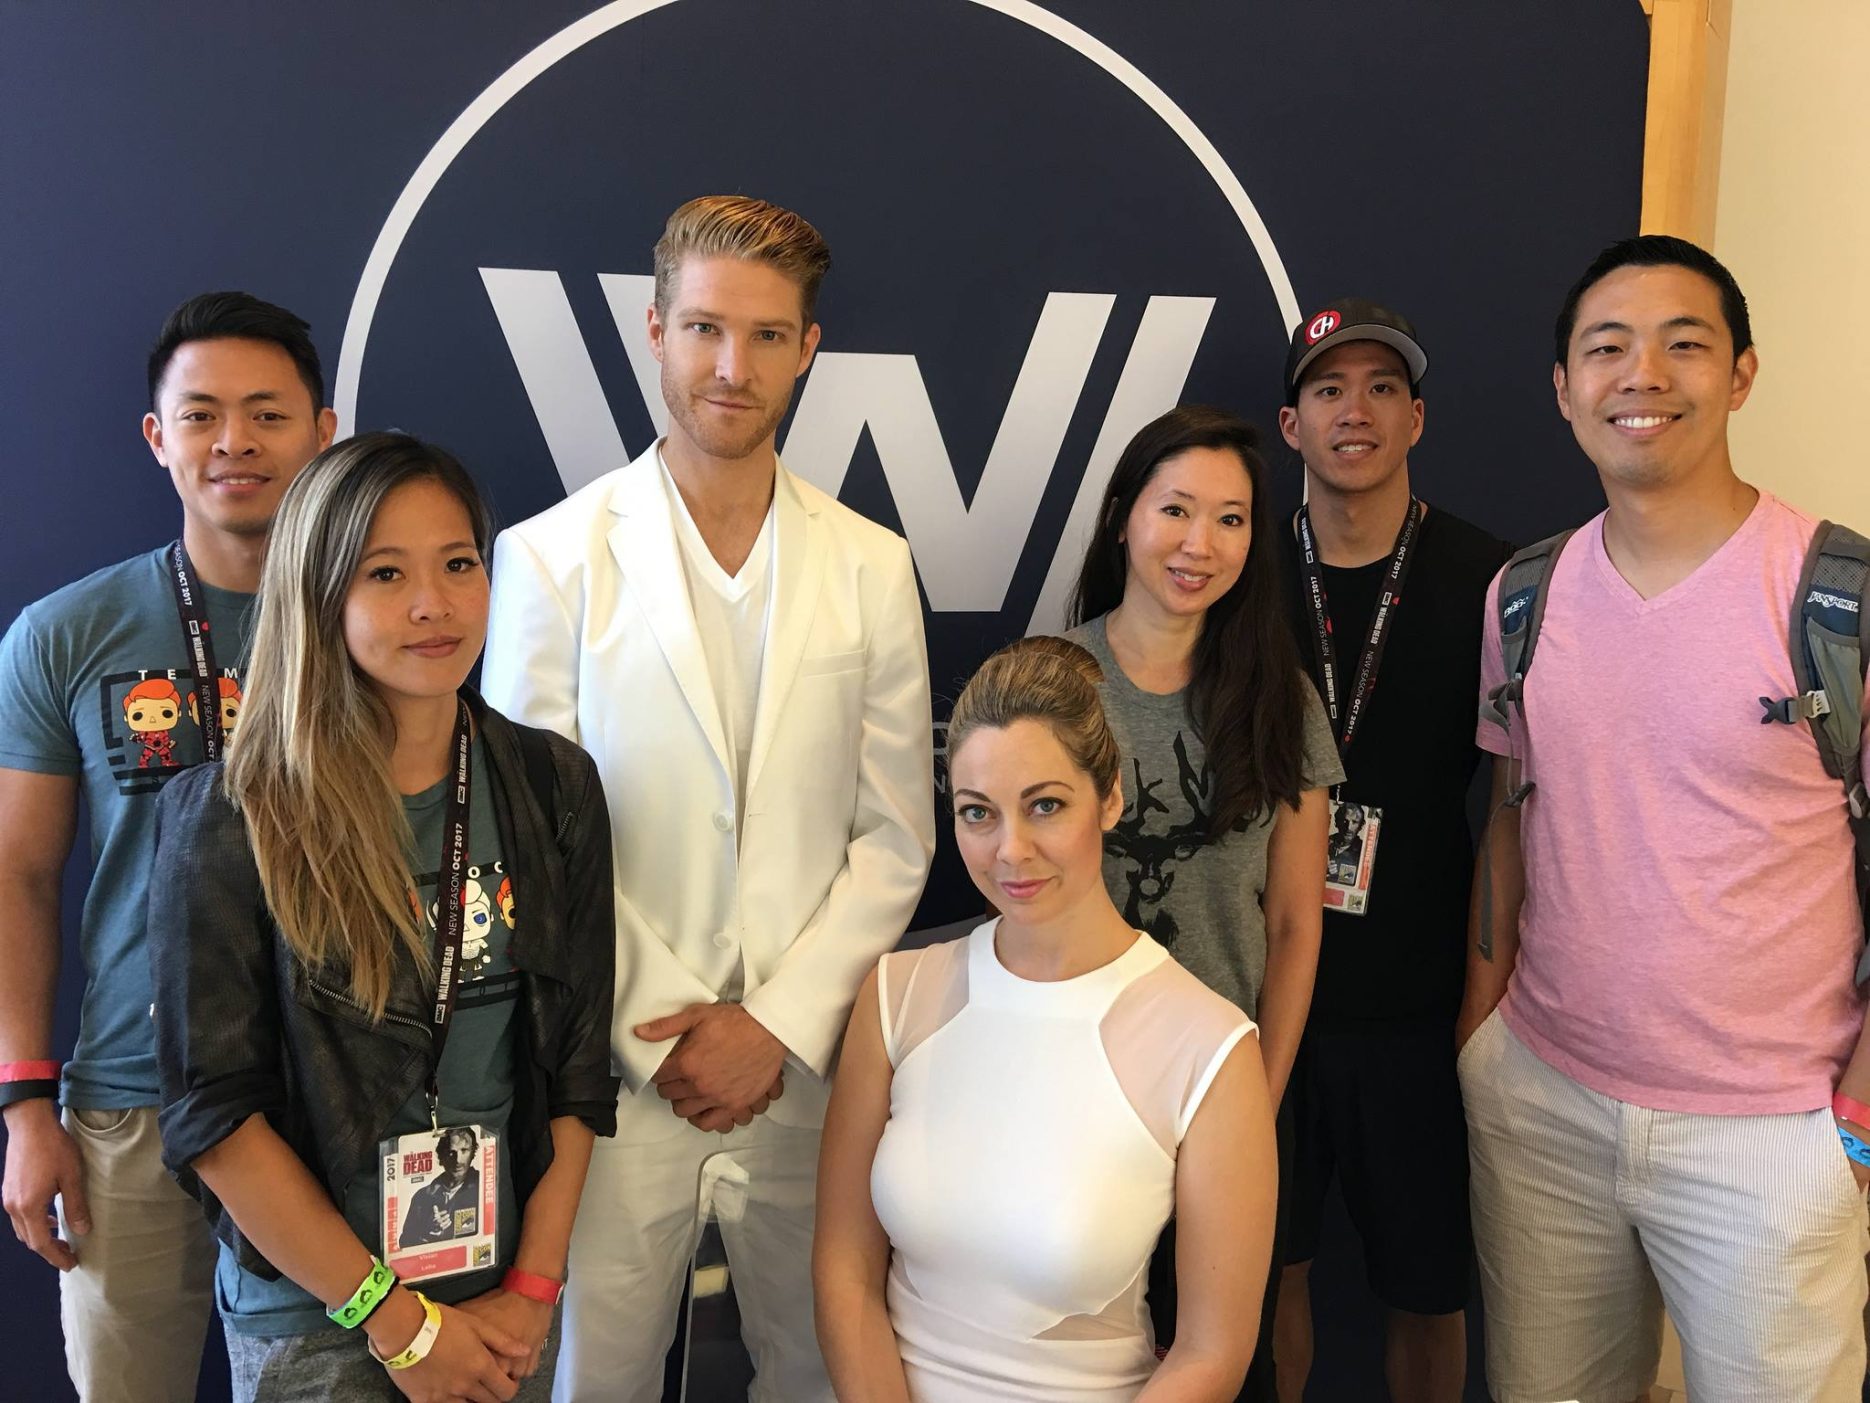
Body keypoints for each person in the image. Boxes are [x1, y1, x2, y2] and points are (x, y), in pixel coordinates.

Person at [481, 195, 935, 1401]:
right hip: (611, 1079)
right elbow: (526, 840)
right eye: (704, 329)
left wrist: (772, 1025)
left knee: (820, 1373)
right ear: (655, 329)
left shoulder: (871, 563)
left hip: (809, 1075)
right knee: (596, 1378)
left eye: (767, 335)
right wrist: (676, 1028)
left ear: (808, 347)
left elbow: (895, 835)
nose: (733, 367)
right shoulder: (550, 557)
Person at [1461, 234, 1870, 1401]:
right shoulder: (1524, 593)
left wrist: (1853, 1125)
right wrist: (1482, 1045)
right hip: (1543, 1103)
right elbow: (1510, 818)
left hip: (1773, 1130)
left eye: (1681, 343)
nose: (1641, 374)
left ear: (1740, 373)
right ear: (1564, 388)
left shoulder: (1836, 597)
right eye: (1607, 347)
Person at [147, 432, 620, 1401]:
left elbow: (577, 1068)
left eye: (458, 564)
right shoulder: (234, 812)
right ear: (319, 592)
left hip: (501, 1305)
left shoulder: (550, 784)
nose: (432, 603)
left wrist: (535, 1284)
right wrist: (398, 1324)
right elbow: (216, 1116)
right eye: (386, 572)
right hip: (322, 1314)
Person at [0, 291, 335, 1401]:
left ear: (322, 430)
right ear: (158, 436)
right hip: (131, 1103)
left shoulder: (383, 620)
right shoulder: (66, 633)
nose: (234, 441)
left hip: (327, 1096)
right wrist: (25, 1104)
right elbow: (20, 875)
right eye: (201, 414)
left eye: (267, 413)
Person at [814, 636, 1278, 1401]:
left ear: (1111, 798)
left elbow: (1212, 1351)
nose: (1011, 850)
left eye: (1046, 805)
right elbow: (843, 1268)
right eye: (978, 812)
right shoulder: (894, 995)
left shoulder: (1210, 1047)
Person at [1065, 404, 1339, 1399]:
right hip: (1070, 1092)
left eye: (1230, 519)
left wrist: (1255, 1098)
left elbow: (1295, 923)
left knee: (1218, 1358)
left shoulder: (1280, 699)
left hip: (1221, 1096)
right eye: (1175, 509)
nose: (1200, 543)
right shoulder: (1051, 678)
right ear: (1123, 517)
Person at [1269, 300, 1511, 1403]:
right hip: (1261, 998)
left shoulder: (1490, 581)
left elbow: (1516, 809)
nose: (1353, 410)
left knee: (1428, 1290)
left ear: (1416, 418)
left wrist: (1481, 1003)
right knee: (1266, 1269)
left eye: (1380, 388)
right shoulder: (1237, 570)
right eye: (1328, 388)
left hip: (1420, 1009)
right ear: (1292, 424)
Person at [403, 1128, 484, 1247]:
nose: (458, 1160)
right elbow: (405, 1243)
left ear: (472, 1154)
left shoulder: (484, 1187)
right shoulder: (421, 1197)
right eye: (451, 1152)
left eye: (464, 1150)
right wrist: (429, 1232)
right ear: (442, 1156)